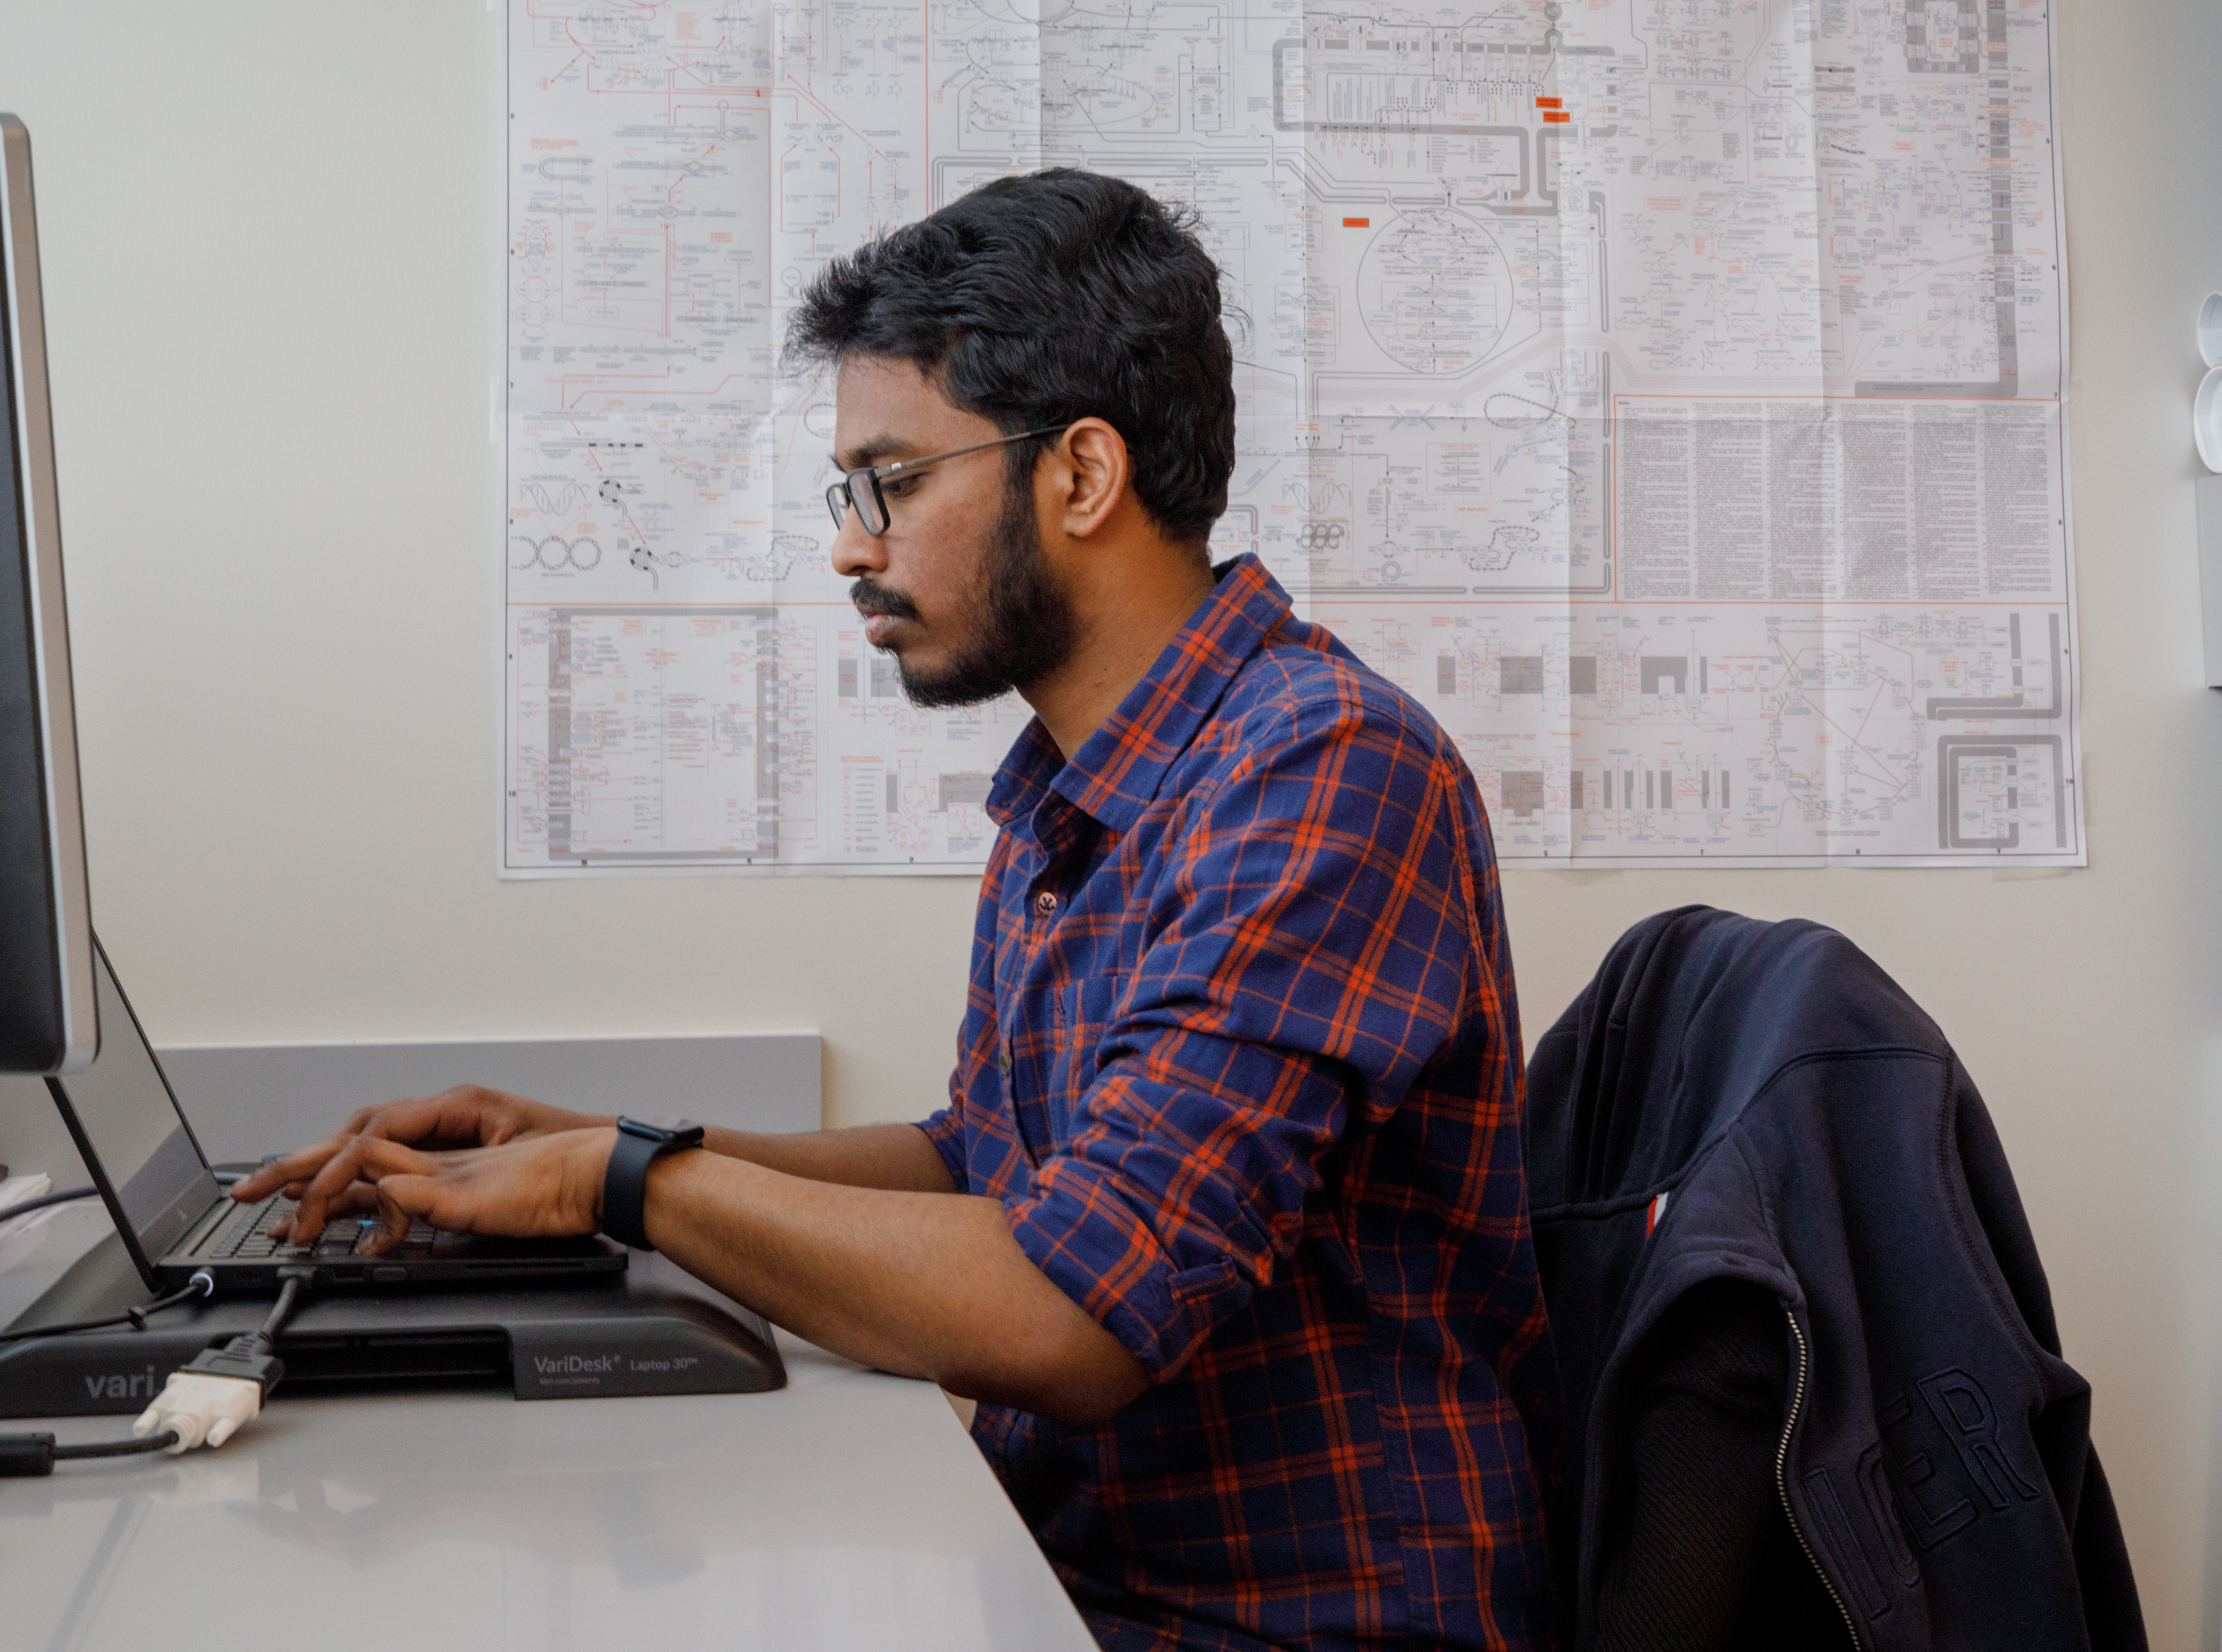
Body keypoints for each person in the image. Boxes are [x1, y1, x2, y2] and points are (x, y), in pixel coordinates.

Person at [236, 171, 1558, 1651]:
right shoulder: (1079, 789)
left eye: (893, 481)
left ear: (1080, 475)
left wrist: (625, 1182)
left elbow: (1075, 1307)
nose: (852, 546)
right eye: (847, 493)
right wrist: (573, 1141)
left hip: (1282, 1625)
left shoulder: (1322, 771)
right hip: (1065, 1570)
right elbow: (980, 1161)